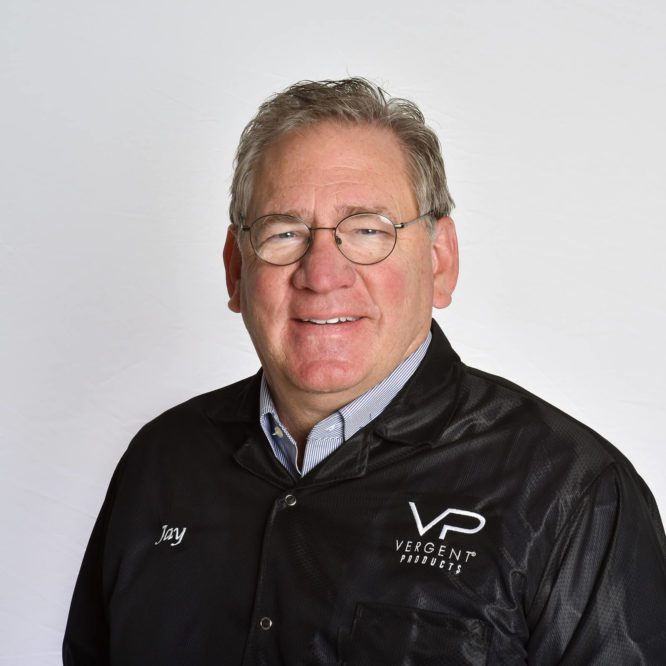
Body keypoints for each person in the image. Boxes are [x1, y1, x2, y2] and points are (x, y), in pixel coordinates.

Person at [63, 78, 666, 665]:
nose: (322, 273)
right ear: (235, 270)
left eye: (368, 231)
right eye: (284, 233)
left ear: (440, 261)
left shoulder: (571, 494)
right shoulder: (161, 463)